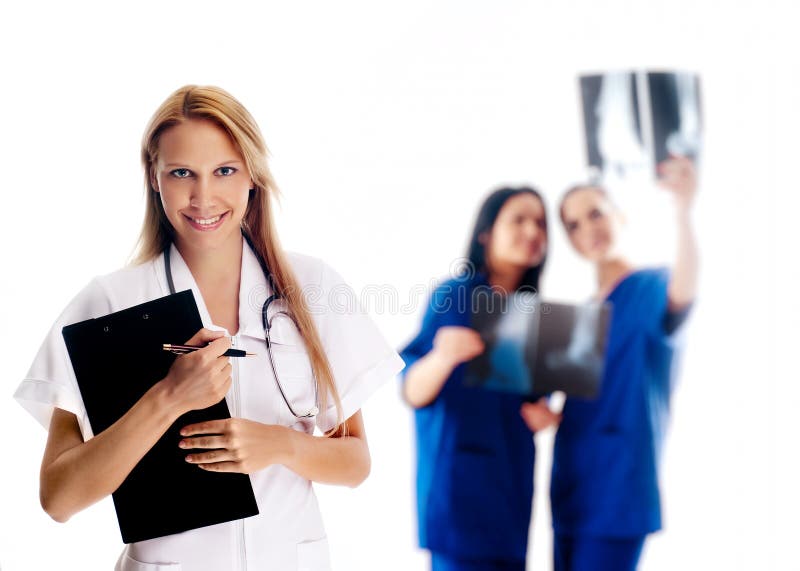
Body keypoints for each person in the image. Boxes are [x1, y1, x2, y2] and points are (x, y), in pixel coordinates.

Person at [13, 85, 405, 571]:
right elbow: (60, 498)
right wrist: (169, 397)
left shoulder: (312, 287)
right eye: (181, 173)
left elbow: (355, 464)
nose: (203, 198)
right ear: (154, 179)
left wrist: (278, 444)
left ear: (252, 177)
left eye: (224, 171)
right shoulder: (109, 303)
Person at [539, 156, 698, 571]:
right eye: (572, 225)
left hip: (619, 491)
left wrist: (684, 211)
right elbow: (580, 405)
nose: (587, 229)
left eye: (595, 213)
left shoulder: (653, 286)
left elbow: (685, 290)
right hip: (572, 486)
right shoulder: (580, 315)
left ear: (619, 214)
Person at [399, 186, 559, 571]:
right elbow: (411, 391)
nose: (532, 230)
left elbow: (533, 404)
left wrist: (542, 416)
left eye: (539, 222)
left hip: (511, 494)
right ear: (486, 232)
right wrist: (442, 357)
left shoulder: (539, 317)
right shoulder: (455, 296)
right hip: (459, 497)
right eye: (518, 219)